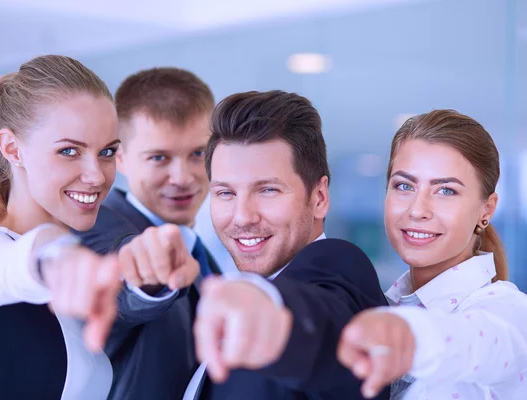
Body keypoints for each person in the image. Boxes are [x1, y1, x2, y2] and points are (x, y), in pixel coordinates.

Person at [0, 55, 133, 400]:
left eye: (107, 152)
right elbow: (22, 262)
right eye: (69, 151)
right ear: (12, 148)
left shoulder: (71, 284)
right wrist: (59, 255)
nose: (97, 175)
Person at [185, 90, 390, 399]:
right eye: (225, 193)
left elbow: (323, 326)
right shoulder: (213, 291)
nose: (242, 217)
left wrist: (270, 305)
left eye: (267, 190)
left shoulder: (339, 268)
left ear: (319, 197)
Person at [336, 110, 527, 399]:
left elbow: (481, 342)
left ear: (486, 210)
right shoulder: (378, 305)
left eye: (446, 191)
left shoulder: (511, 312)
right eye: (404, 185)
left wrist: (407, 334)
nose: (417, 209)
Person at [75, 67, 221, 400]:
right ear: (121, 159)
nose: (182, 177)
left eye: (198, 153)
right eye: (159, 157)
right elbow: (122, 277)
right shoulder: (98, 227)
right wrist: (146, 278)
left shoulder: (199, 249)